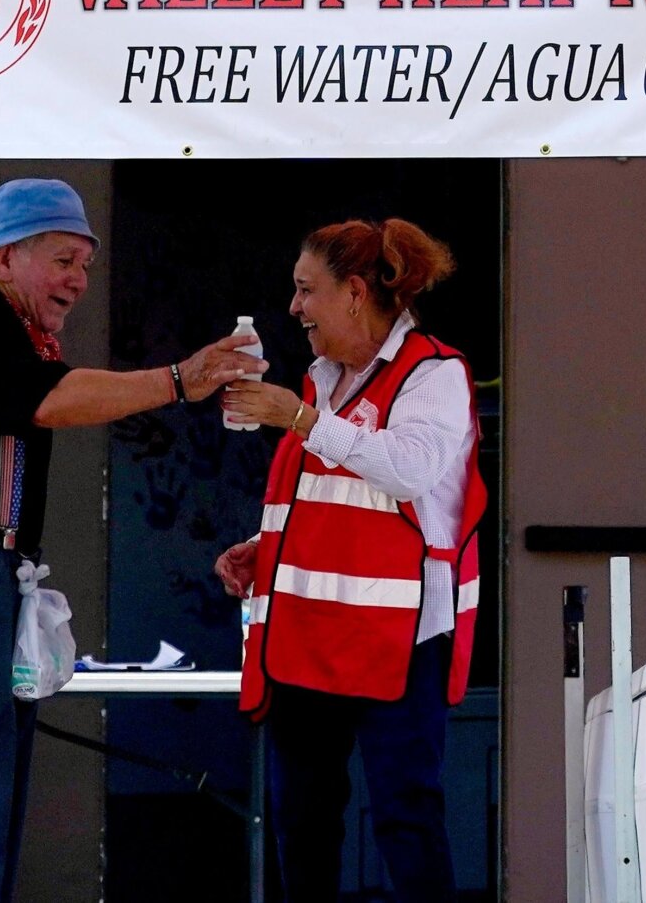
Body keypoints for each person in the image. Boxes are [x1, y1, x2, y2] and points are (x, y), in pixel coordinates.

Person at [0, 177, 262, 903]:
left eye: (85, 262)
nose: (79, 280)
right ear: (6, 254)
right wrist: (181, 379)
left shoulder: (6, 333)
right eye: (62, 259)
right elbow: (51, 400)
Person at [214, 218, 486, 903]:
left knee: (405, 819)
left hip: (400, 642)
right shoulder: (323, 377)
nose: (294, 307)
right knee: (301, 825)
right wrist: (266, 546)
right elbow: (334, 496)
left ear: (356, 292)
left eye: (307, 290)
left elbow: (408, 471)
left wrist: (301, 420)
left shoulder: (434, 373)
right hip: (311, 634)